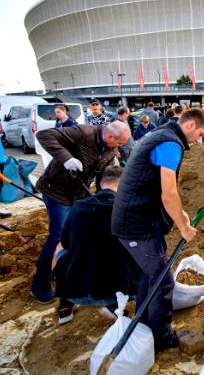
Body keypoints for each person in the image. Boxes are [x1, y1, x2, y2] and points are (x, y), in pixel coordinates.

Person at [112, 108, 204, 353]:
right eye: (200, 133)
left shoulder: (162, 134)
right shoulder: (170, 144)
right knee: (163, 281)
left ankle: (145, 324)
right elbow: (168, 193)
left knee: (150, 275)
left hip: (139, 219)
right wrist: (183, 226)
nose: (198, 140)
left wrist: (179, 213)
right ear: (189, 125)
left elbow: (156, 187)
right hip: (135, 224)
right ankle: (161, 337)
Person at [31, 122, 131, 303]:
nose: (120, 147)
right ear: (110, 137)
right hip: (57, 190)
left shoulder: (109, 149)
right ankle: (40, 283)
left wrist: (106, 200)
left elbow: (104, 178)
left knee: (80, 232)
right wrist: (66, 158)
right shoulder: (83, 133)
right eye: (119, 143)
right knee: (57, 237)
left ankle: (73, 272)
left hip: (79, 193)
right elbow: (44, 135)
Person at [52, 166, 138, 324]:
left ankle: (65, 302)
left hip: (77, 291)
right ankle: (113, 305)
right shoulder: (129, 210)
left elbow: (67, 243)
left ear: (100, 184)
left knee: (59, 247)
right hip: (121, 290)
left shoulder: (78, 207)